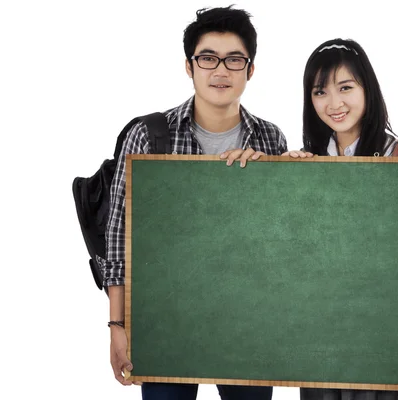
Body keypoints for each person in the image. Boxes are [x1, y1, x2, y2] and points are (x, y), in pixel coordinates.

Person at [101, 5, 287, 400]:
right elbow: (119, 235)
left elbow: (281, 240)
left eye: (234, 60)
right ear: (190, 66)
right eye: (208, 58)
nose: (221, 70)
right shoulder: (149, 135)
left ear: (250, 70)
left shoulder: (270, 139)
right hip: (167, 318)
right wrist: (117, 325)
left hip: (248, 322)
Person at [284, 38, 398, 399]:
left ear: (367, 89)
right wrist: (282, 184)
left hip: (383, 335)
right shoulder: (310, 161)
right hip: (320, 338)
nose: (334, 103)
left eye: (346, 88)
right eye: (320, 92)